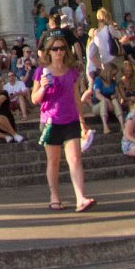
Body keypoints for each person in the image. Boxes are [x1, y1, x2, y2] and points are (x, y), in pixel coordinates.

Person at [31, 33, 95, 212]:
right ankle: (55, 196)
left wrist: (82, 122)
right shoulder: (41, 72)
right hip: (51, 121)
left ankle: (80, 197)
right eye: (55, 49)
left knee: (75, 158)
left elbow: (76, 97)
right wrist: (43, 87)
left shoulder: (71, 72)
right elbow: (34, 99)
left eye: (62, 48)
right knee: (54, 160)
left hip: (71, 119)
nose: (59, 52)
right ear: (48, 52)